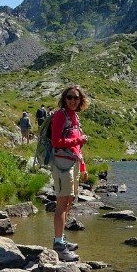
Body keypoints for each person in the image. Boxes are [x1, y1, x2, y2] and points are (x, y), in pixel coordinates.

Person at [49, 85, 90, 262]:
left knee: (68, 203)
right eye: (70, 97)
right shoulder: (60, 115)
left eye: (77, 97)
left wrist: (83, 166)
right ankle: (58, 246)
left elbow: (76, 147)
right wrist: (80, 139)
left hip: (73, 164)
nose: (73, 100)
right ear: (65, 99)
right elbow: (57, 141)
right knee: (61, 204)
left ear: (81, 100)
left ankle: (62, 239)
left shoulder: (75, 117)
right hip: (62, 165)